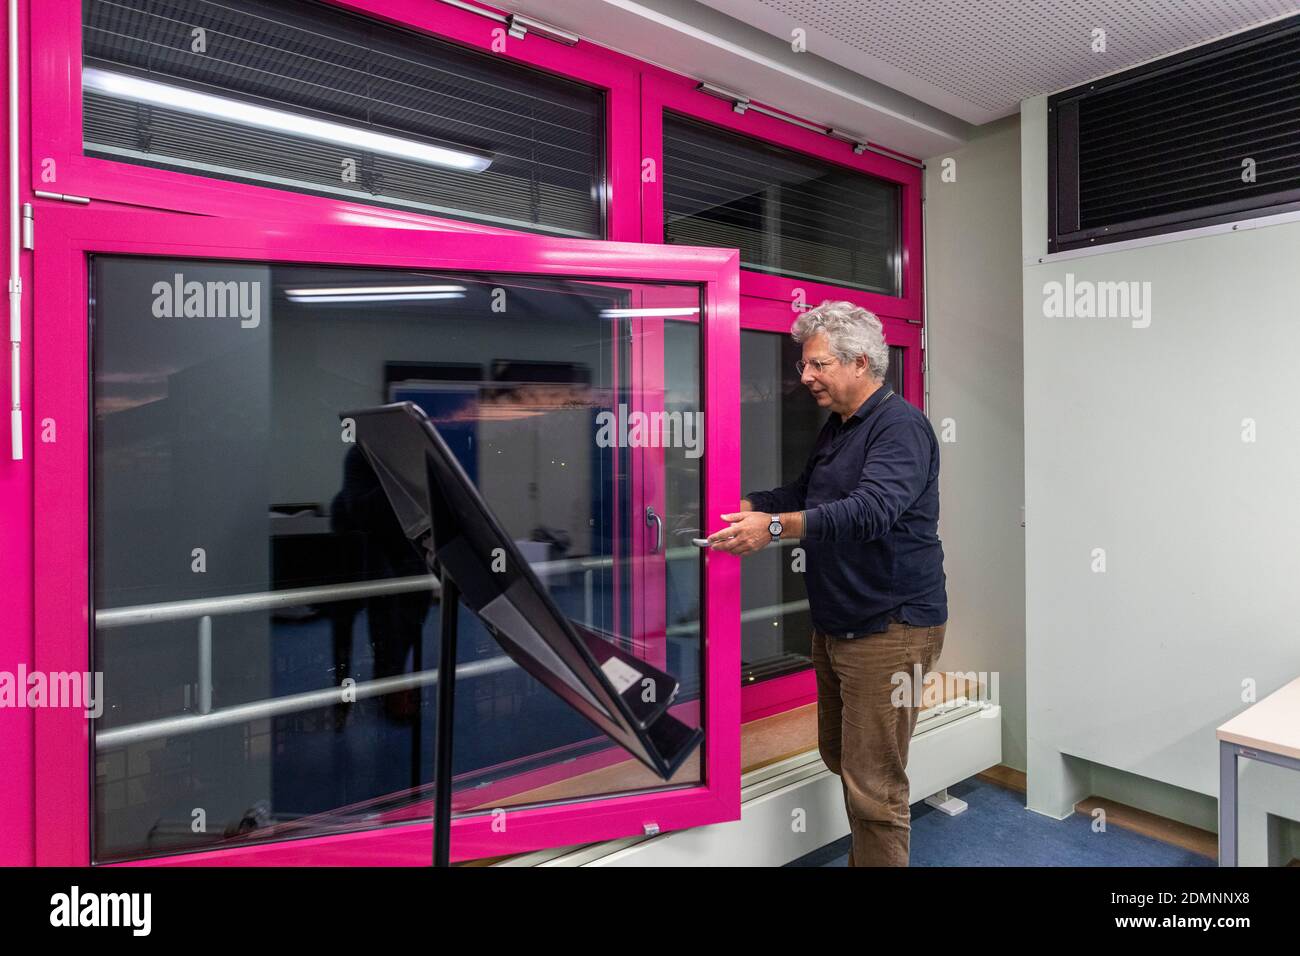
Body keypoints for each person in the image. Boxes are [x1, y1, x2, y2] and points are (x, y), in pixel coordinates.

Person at [707, 299, 948, 866]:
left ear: (860, 362)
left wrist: (774, 527)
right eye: (804, 365)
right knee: (840, 754)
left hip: (892, 626)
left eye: (816, 364)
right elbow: (805, 495)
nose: (805, 376)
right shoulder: (840, 427)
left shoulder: (901, 427)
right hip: (839, 622)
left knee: (874, 785)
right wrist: (750, 506)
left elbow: (869, 512)